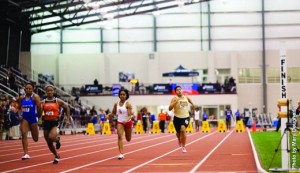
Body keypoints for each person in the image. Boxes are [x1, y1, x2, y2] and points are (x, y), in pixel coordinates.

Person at [41, 85, 70, 164]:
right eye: (48, 91)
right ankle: (56, 155)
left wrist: (67, 119)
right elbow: (39, 112)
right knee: (49, 142)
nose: (49, 92)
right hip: (46, 123)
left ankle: (57, 140)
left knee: (51, 137)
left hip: (54, 122)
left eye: (51, 90)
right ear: (46, 92)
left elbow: (67, 108)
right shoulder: (43, 102)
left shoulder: (57, 101)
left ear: (53, 91)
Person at [106, 89, 133, 159]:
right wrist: (108, 115)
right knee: (119, 136)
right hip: (120, 122)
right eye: (121, 94)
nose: (122, 96)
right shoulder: (116, 104)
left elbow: (130, 115)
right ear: (119, 95)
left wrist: (126, 120)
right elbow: (113, 113)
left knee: (128, 139)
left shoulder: (128, 104)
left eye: (123, 94)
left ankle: (129, 133)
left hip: (127, 122)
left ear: (126, 96)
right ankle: (121, 153)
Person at [18, 83, 42, 160]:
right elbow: (19, 108)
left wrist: (40, 119)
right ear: (25, 89)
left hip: (33, 119)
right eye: (27, 88)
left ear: (32, 90)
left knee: (35, 139)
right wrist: (19, 115)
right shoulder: (21, 98)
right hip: (25, 118)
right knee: (24, 134)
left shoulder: (35, 97)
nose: (28, 90)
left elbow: (40, 108)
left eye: (30, 89)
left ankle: (34, 131)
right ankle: (26, 153)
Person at [169, 86, 195, 153]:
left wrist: (193, 104)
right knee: (178, 133)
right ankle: (179, 139)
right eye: (177, 90)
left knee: (183, 130)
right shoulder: (174, 99)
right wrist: (175, 102)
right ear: (175, 92)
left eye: (180, 89)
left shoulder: (185, 97)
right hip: (177, 118)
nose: (179, 91)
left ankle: (183, 146)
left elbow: (189, 100)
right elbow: (169, 108)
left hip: (185, 117)